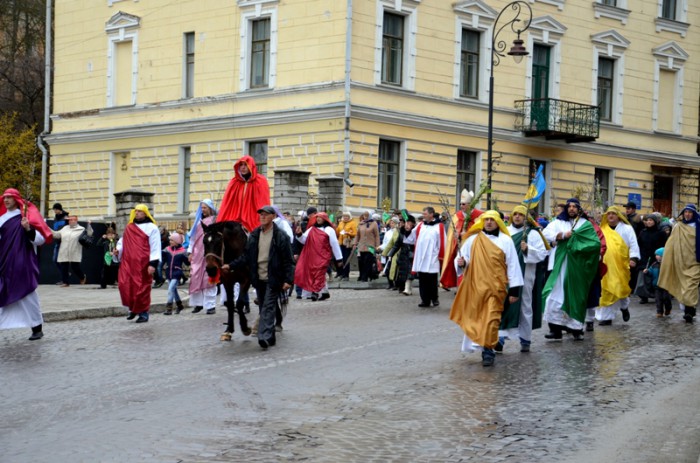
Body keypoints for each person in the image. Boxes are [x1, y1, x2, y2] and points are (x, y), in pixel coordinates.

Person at [449, 211, 523, 367]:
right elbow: (464, 258)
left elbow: (513, 265)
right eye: (486, 219)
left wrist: (514, 290)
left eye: (492, 220)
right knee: (477, 318)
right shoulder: (473, 240)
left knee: (491, 319)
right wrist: (462, 262)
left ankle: (488, 351)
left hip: (496, 288)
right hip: (476, 286)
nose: (489, 222)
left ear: (498, 222)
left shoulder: (505, 241)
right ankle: (482, 343)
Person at [226, 206, 295, 349]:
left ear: (273, 217)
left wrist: (288, 280)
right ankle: (271, 337)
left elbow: (288, 260)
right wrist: (231, 265)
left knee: (268, 307)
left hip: (274, 277)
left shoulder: (280, 236)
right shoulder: (255, 234)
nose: (262, 217)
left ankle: (263, 336)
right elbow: (246, 256)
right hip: (258, 278)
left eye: (265, 215)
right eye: (261, 215)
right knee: (264, 306)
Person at [541, 198, 602, 340]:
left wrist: (576, 245)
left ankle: (576, 328)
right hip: (558, 265)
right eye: (570, 206)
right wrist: (562, 235)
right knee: (554, 296)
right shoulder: (557, 223)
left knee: (576, 296)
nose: (572, 209)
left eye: (575, 207)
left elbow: (594, 244)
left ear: (579, 209)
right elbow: (545, 235)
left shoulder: (585, 224)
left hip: (577, 268)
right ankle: (555, 330)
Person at [0, 189, 53, 341]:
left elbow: (40, 240)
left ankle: (37, 328)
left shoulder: (26, 217)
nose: (7, 200)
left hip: (23, 262)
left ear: (16, 199)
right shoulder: (2, 219)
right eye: (5, 198)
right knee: (3, 292)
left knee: (28, 295)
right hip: (5, 262)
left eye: (10, 197)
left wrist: (28, 228)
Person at [496, 205, 549, 353]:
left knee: (525, 304)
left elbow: (543, 253)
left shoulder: (533, 234)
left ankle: (525, 338)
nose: (517, 217)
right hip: (506, 274)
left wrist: (527, 250)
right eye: (515, 214)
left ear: (526, 218)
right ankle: (500, 337)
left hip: (526, 274)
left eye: (520, 214)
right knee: (503, 303)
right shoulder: (506, 233)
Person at [115, 204, 161, 323]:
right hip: (128, 262)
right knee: (124, 285)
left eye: (140, 211)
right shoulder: (130, 227)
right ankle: (133, 309)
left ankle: (143, 312)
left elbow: (155, 246)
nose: (137, 213)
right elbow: (122, 242)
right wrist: (117, 251)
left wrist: (153, 263)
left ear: (145, 213)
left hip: (143, 263)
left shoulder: (152, 227)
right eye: (136, 211)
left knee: (142, 287)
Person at [595, 206, 640, 325]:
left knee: (621, 288)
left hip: (622, 264)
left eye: (613, 214)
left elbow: (633, 244)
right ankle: (605, 317)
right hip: (605, 265)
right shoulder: (602, 229)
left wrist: (634, 258)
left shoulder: (627, 229)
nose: (610, 216)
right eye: (608, 214)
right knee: (606, 289)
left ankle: (624, 307)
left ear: (618, 216)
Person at [659, 204, 700, 323]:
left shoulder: (698, 226)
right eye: (685, 212)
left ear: (694, 214)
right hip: (681, 261)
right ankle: (689, 310)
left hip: (695, 262)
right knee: (683, 286)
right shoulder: (678, 227)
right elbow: (671, 244)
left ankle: (689, 310)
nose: (687, 214)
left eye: (690, 212)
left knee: (690, 286)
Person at [440, 189, 484, 290]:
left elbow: (481, 230)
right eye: (460, 204)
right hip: (460, 246)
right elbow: (452, 231)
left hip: (474, 247)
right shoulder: (457, 216)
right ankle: (460, 287)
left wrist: (467, 233)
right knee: (460, 263)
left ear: (470, 205)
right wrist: (457, 235)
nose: (461, 206)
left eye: (464, 204)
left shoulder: (480, 215)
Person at [294, 213, 343, 301]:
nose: (318, 219)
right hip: (313, 256)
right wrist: (299, 234)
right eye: (317, 217)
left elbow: (334, 244)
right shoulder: (312, 229)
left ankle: (315, 292)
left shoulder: (329, 230)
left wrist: (339, 258)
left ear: (325, 219)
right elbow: (304, 240)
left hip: (324, 256)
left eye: (320, 217)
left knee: (319, 273)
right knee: (315, 274)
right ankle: (324, 292)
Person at [217, 155, 271, 232]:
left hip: (253, 218)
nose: (243, 167)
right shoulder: (234, 182)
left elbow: (262, 202)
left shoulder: (260, 181)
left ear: (251, 166)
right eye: (241, 165)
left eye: (245, 164)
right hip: (234, 217)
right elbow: (226, 204)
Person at [187, 199, 218, 314]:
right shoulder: (198, 222)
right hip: (197, 253)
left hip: (210, 253)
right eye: (202, 208)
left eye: (205, 207)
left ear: (210, 208)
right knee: (195, 276)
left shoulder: (215, 220)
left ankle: (210, 305)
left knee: (209, 278)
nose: (203, 210)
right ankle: (197, 304)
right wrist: (190, 252)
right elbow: (193, 238)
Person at [412, 206, 446, 307]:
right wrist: (406, 229)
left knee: (432, 280)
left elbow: (443, 241)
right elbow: (411, 236)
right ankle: (424, 300)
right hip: (422, 256)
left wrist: (441, 256)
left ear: (431, 214)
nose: (423, 216)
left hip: (432, 257)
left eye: (425, 214)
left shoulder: (439, 226)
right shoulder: (420, 225)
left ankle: (434, 298)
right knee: (422, 280)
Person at [636, 213, 667, 303]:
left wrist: (660, 255)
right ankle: (643, 296)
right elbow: (639, 244)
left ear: (655, 222)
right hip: (644, 257)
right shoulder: (643, 232)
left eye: (651, 220)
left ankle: (656, 294)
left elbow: (664, 245)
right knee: (642, 277)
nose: (649, 222)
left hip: (656, 258)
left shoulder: (661, 233)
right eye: (647, 220)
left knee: (655, 277)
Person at [52, 215, 90, 287]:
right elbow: (57, 235)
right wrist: (47, 228)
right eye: (70, 220)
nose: (71, 221)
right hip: (64, 250)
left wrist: (89, 225)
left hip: (75, 250)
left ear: (76, 220)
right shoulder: (65, 228)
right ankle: (65, 282)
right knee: (64, 267)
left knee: (75, 267)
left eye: (73, 220)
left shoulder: (81, 229)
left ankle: (82, 277)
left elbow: (89, 234)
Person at [387, 214, 417, 295]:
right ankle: (404, 287)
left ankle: (407, 289)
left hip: (412, 256)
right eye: (406, 223)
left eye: (409, 223)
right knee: (402, 273)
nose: (407, 225)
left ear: (413, 224)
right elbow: (397, 245)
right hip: (402, 256)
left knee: (409, 273)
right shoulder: (401, 234)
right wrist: (390, 254)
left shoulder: (415, 233)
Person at [163, 232, 189, 315]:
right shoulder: (167, 250)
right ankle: (180, 305)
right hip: (168, 273)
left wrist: (189, 258)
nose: (170, 242)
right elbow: (161, 256)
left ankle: (169, 308)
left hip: (177, 273)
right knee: (174, 290)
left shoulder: (183, 251)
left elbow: (188, 263)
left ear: (177, 241)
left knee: (170, 289)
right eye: (170, 240)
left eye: (172, 240)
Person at [645, 248, 672, 317]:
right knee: (658, 299)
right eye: (656, 255)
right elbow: (651, 272)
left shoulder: (668, 264)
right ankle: (659, 312)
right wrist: (647, 271)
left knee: (666, 298)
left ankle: (668, 308)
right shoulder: (654, 264)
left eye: (658, 255)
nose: (656, 256)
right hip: (657, 285)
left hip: (666, 285)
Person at [355, 211, 380, 282]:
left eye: (367, 216)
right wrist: (355, 243)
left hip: (370, 246)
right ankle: (362, 275)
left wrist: (377, 246)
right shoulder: (361, 224)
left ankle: (364, 277)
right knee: (361, 262)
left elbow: (377, 235)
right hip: (361, 246)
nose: (365, 217)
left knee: (367, 262)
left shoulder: (374, 223)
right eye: (364, 216)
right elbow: (358, 235)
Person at [336, 211, 357, 281]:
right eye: (344, 216)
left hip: (347, 244)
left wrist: (348, 233)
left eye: (347, 216)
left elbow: (355, 233)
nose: (345, 218)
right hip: (340, 243)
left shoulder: (352, 223)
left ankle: (346, 275)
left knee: (346, 259)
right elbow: (338, 231)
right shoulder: (341, 223)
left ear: (349, 217)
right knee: (340, 259)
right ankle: (341, 274)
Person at [96, 224, 120, 289]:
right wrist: (102, 238)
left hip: (115, 261)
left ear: (114, 235)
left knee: (117, 273)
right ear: (107, 235)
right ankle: (103, 285)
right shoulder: (105, 242)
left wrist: (115, 252)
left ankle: (120, 283)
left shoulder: (117, 242)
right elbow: (98, 244)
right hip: (107, 261)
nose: (110, 236)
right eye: (109, 235)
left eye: (112, 235)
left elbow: (120, 249)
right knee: (104, 274)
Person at [51, 203, 69, 276]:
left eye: (55, 209)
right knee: (55, 260)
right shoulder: (55, 218)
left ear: (59, 209)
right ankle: (65, 274)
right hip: (57, 241)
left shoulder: (66, 217)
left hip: (64, 242)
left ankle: (64, 278)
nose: (54, 211)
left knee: (63, 261)